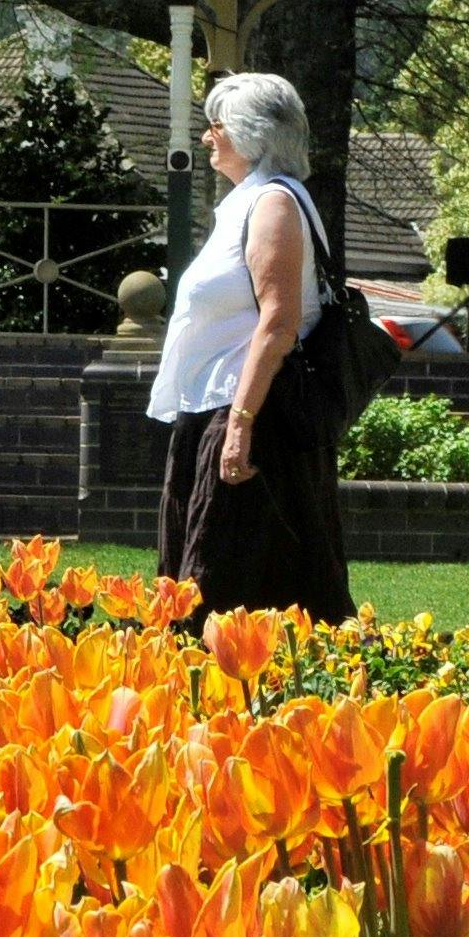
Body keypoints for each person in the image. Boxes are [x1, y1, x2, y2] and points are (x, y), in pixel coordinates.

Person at [147, 70, 352, 620]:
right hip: (211, 409)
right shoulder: (245, 202)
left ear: (250, 132)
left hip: (251, 416)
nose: (207, 137)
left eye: (216, 124)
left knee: (227, 585)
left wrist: (239, 424)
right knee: (199, 580)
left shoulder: (275, 205)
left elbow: (279, 323)